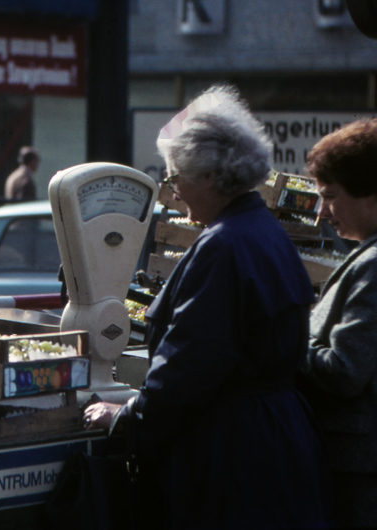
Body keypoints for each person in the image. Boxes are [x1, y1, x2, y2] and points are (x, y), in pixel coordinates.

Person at [83, 85, 331, 529]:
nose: (173, 190)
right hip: (280, 444)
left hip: (234, 458)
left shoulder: (223, 246)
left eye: (177, 175)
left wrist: (126, 418)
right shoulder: (267, 233)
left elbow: (189, 365)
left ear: (212, 177)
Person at [298, 118, 377, 529]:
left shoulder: (374, 265)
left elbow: (346, 371)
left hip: (358, 471)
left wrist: (290, 335)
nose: (323, 212)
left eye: (330, 196)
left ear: (370, 195)